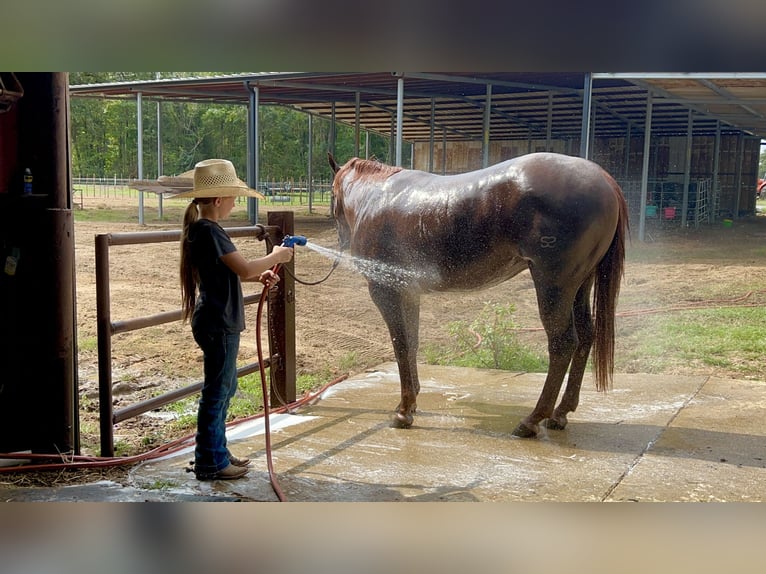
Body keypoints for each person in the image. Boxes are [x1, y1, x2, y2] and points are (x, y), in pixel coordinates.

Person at [177, 159, 294, 480]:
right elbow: (242, 267)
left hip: (217, 320)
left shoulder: (205, 231)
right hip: (218, 322)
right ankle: (209, 462)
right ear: (218, 200)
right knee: (217, 392)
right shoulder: (210, 231)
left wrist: (259, 276)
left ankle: (217, 453)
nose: (234, 203)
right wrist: (277, 257)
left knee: (224, 389)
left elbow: (228, 272)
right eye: (233, 197)